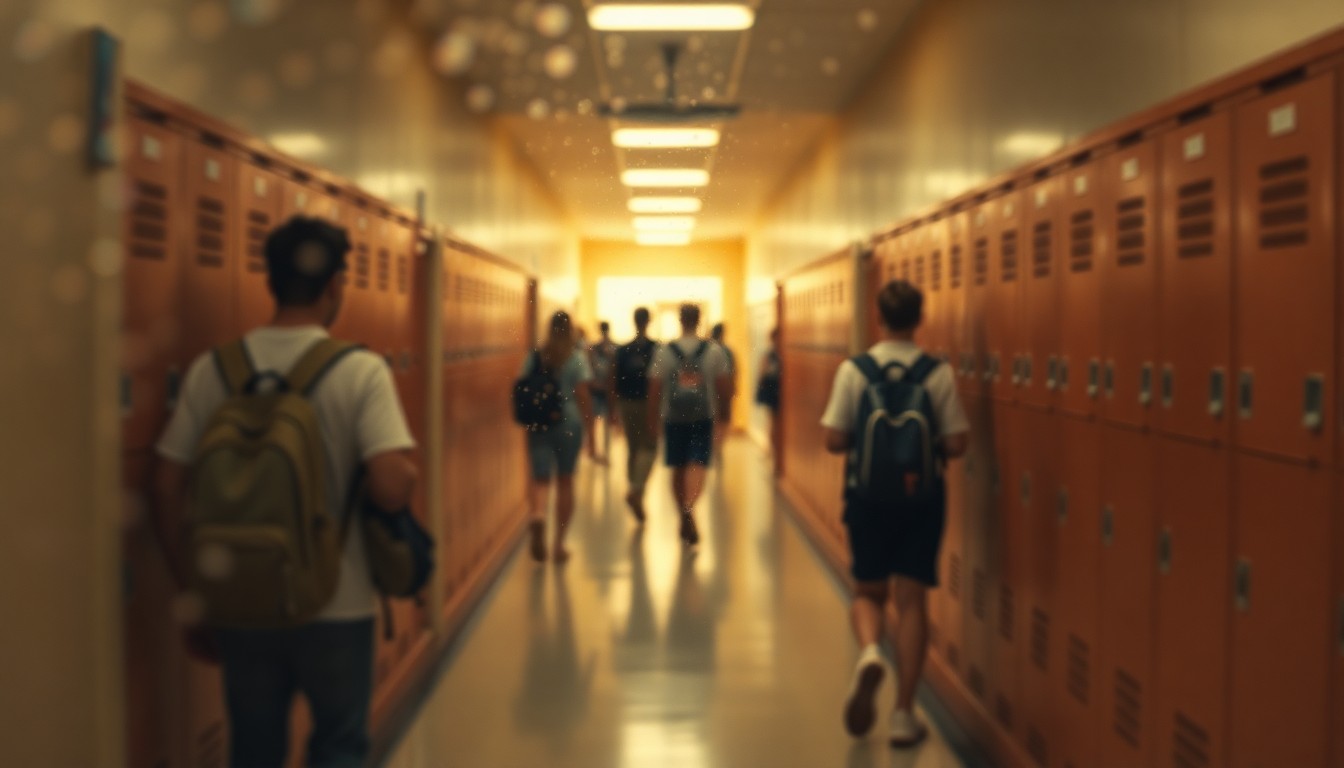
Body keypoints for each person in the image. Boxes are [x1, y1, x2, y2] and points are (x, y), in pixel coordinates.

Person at [153, 216, 419, 768]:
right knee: (339, 746)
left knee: (253, 749)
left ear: (270, 281)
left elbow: (167, 481)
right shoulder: (360, 371)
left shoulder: (213, 370)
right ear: (335, 286)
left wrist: (192, 586)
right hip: (336, 602)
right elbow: (392, 488)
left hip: (240, 599)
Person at [820, 280, 969, 748]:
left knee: (868, 589)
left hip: (866, 497)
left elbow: (833, 438)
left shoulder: (855, 371)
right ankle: (904, 713)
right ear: (919, 318)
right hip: (922, 499)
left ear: (878, 318)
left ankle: (869, 652)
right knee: (912, 600)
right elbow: (957, 443)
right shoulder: (936, 372)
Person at [645, 303, 732, 547]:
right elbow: (725, 388)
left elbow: (654, 388)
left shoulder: (664, 351)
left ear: (680, 320)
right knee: (698, 464)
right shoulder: (714, 351)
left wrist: (652, 420)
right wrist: (725, 417)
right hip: (703, 417)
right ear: (699, 319)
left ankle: (683, 511)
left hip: (673, 417)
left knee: (678, 466)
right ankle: (689, 507)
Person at [521, 310, 597, 564]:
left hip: (539, 424)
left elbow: (522, 385)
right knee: (565, 481)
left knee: (540, 478)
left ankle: (539, 515)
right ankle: (559, 545)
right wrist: (591, 433)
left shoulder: (535, 356)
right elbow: (584, 396)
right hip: (568, 424)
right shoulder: (576, 358)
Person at [610, 307, 660, 523]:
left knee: (633, 448)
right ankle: (637, 491)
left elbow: (613, 379)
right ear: (648, 321)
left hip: (626, 403)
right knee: (649, 446)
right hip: (649, 404)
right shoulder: (656, 349)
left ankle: (634, 489)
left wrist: (613, 408)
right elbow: (660, 382)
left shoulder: (623, 350)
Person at [588, 321, 618, 463]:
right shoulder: (613, 347)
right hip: (605, 388)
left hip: (599, 387)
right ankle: (603, 451)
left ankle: (600, 450)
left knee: (598, 420)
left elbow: (592, 367)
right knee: (605, 421)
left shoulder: (595, 348)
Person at [754, 328, 782, 473]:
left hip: (777, 392)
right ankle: (770, 451)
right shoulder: (770, 355)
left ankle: (771, 452)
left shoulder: (780, 354)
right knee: (772, 422)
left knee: (775, 423)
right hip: (772, 392)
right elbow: (763, 373)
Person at [709, 322, 737, 464]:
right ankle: (717, 448)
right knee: (721, 421)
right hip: (721, 392)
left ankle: (715, 448)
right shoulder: (725, 351)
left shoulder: (707, 349)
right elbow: (732, 373)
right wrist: (731, 391)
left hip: (709, 393)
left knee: (714, 421)